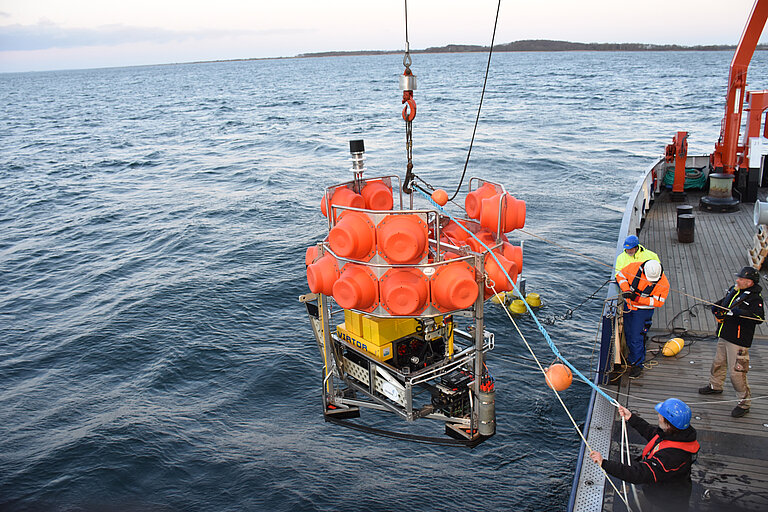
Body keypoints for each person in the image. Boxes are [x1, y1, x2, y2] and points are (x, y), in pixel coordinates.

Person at [590, 399, 700, 512]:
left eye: (661, 415)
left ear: (668, 423)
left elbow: (638, 474)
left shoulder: (670, 457)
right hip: (662, 491)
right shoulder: (677, 434)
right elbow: (651, 433)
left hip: (666, 502)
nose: (658, 415)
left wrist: (604, 463)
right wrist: (631, 418)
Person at [699, 266, 764, 418]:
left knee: (737, 373)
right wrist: (716, 307)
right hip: (725, 334)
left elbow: (759, 318)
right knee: (718, 362)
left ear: (749, 283)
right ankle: (715, 385)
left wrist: (740, 313)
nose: (737, 280)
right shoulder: (734, 290)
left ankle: (744, 403)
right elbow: (724, 302)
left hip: (739, 340)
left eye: (741, 279)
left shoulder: (755, 299)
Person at [616, 259, 670, 378]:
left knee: (636, 337)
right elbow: (620, 276)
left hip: (642, 312)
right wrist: (626, 290)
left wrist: (637, 299)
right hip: (628, 307)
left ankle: (637, 364)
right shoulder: (633, 267)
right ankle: (632, 358)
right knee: (629, 333)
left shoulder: (663, 283)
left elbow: (658, 302)